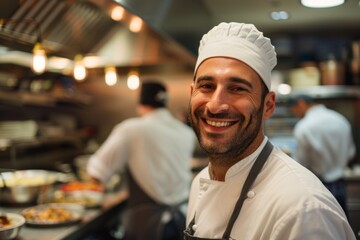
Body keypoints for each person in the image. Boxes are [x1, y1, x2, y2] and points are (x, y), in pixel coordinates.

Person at [185, 22, 356, 240]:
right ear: (191, 93)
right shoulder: (199, 183)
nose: (215, 105)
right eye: (206, 86)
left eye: (237, 88)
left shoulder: (303, 210)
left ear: (268, 105)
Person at [87, 81, 196, 240]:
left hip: (147, 226)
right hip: (182, 221)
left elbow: (96, 172)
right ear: (165, 103)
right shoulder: (186, 132)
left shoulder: (132, 129)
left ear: (140, 104)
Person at [290, 94, 356, 216]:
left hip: (317, 187)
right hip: (340, 186)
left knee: (321, 231)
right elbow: (351, 153)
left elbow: (300, 164)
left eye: (294, 109)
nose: (295, 113)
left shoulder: (304, 126)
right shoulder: (340, 119)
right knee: (341, 229)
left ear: (301, 103)